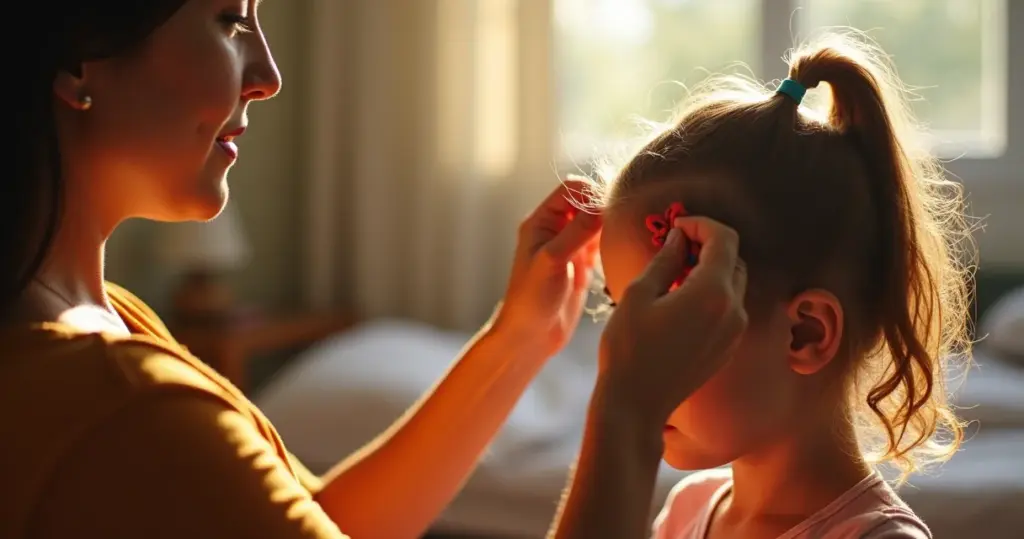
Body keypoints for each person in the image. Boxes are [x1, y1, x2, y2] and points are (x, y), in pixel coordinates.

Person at [1, 1, 752, 538]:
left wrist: (518, 340)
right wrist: (627, 414)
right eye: (229, 22)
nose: (268, 74)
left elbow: (326, 520)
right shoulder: (122, 407)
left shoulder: (110, 322)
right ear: (78, 58)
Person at [549, 31, 975, 539]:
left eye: (674, 317)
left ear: (806, 333)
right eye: (623, 310)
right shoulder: (689, 509)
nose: (626, 354)